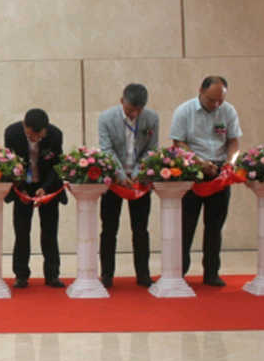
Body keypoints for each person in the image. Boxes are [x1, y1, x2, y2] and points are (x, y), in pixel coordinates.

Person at [170, 76, 242, 287]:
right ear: (200, 91)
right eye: (212, 100)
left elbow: (234, 141)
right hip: (193, 171)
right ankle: (179, 272)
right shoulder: (184, 111)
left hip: (220, 172)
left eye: (220, 100)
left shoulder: (228, 111)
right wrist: (200, 162)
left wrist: (230, 163)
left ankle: (211, 272)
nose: (216, 104)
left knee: (215, 225)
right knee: (186, 225)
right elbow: (178, 143)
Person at [97, 83, 159, 288]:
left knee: (141, 229)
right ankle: (107, 275)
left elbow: (151, 150)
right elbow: (107, 150)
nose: (134, 114)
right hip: (115, 181)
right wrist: (121, 175)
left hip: (139, 182)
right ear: (122, 101)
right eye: (131, 109)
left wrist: (139, 172)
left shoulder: (151, 118)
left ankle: (143, 274)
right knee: (109, 229)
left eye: (138, 110)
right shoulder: (106, 118)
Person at [4, 108, 66, 288]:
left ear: (46, 129)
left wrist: (45, 189)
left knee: (50, 232)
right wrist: (21, 189)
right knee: (22, 232)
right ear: (25, 126)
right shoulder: (12, 133)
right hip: (23, 185)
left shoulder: (55, 135)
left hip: (47, 186)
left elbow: (57, 166)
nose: (35, 139)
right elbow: (10, 165)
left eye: (39, 136)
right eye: (31, 135)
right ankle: (21, 275)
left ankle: (52, 275)